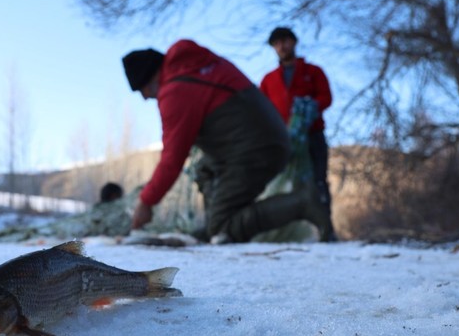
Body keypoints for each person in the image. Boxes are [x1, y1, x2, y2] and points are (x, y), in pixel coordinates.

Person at [121, 39, 332, 243]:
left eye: (143, 90)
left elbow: (172, 159)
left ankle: (302, 203)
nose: (146, 98)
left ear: (151, 78)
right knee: (204, 169)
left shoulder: (175, 92)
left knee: (223, 226)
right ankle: (216, 223)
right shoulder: (193, 66)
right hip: (260, 141)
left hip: (256, 149)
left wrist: (146, 202)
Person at [260, 27, 336, 238]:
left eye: (285, 41)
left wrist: (309, 107)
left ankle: (325, 230)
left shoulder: (313, 72)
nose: (282, 47)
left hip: (312, 135)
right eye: (277, 44)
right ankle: (292, 231)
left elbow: (326, 97)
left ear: (294, 42)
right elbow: (262, 108)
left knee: (318, 180)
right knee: (285, 184)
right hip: (283, 139)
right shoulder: (269, 80)